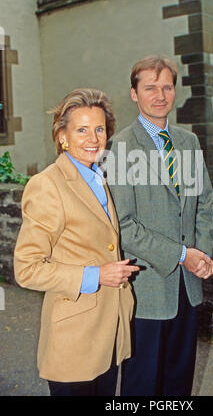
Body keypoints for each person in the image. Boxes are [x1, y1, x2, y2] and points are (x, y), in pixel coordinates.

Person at [14, 88, 139, 396]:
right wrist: (96, 275)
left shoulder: (96, 176)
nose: (93, 139)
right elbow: (27, 269)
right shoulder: (47, 186)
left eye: (99, 129)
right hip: (74, 338)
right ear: (62, 136)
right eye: (81, 130)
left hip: (107, 330)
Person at [108, 55, 213, 396]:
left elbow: (205, 206)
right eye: (150, 87)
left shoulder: (188, 142)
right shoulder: (121, 147)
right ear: (133, 94)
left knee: (178, 382)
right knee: (143, 384)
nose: (160, 95)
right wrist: (184, 254)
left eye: (167, 86)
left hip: (188, 287)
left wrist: (201, 257)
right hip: (147, 290)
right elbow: (122, 225)